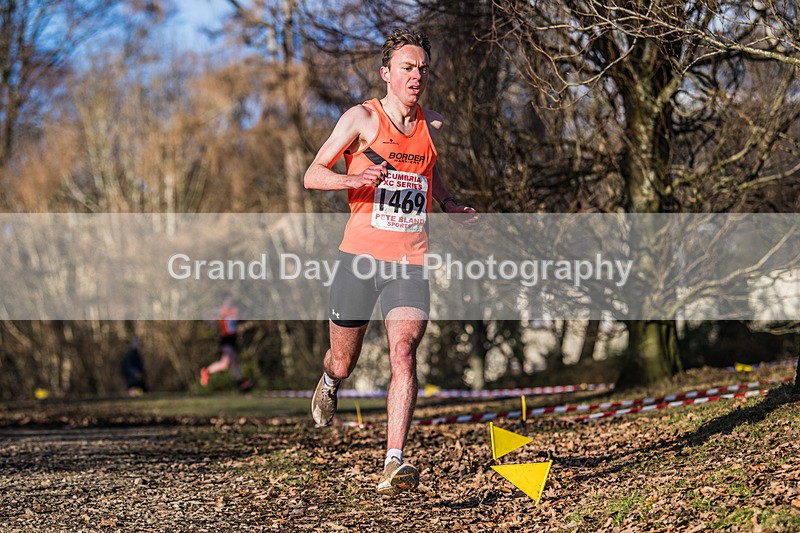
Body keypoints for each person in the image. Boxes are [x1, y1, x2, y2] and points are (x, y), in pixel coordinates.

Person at [303, 28, 478, 496]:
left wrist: (448, 203)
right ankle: (329, 380)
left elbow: (428, 170)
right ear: (386, 74)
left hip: (410, 260)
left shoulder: (433, 124)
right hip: (358, 258)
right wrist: (353, 177)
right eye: (407, 67)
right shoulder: (360, 119)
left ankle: (394, 462)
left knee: (404, 351)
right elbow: (312, 174)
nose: (416, 75)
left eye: (422, 68)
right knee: (345, 361)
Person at [200, 295, 254, 392]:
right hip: (226, 339)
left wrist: (245, 325)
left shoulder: (235, 311)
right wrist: (214, 325)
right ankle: (241, 382)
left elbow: (240, 322)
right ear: (224, 302)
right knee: (233, 360)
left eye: (231, 301)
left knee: (224, 364)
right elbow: (205, 316)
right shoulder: (220, 310)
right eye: (227, 301)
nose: (229, 303)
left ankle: (206, 371)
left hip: (233, 339)